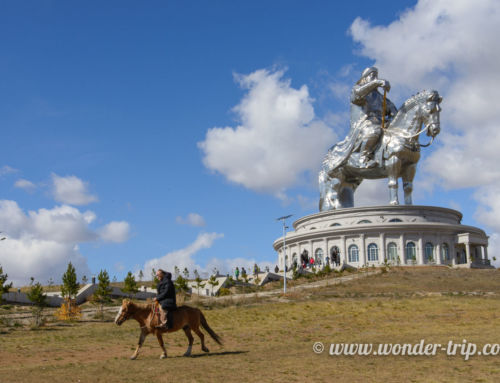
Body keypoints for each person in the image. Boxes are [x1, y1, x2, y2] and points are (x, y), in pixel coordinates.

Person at [350, 67, 398, 168]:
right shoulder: (358, 89)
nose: (375, 78)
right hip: (366, 123)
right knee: (374, 131)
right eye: (373, 75)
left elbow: (393, 110)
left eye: (376, 76)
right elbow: (357, 96)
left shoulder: (380, 96)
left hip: (382, 122)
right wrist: (377, 82)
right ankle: (363, 159)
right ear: (365, 78)